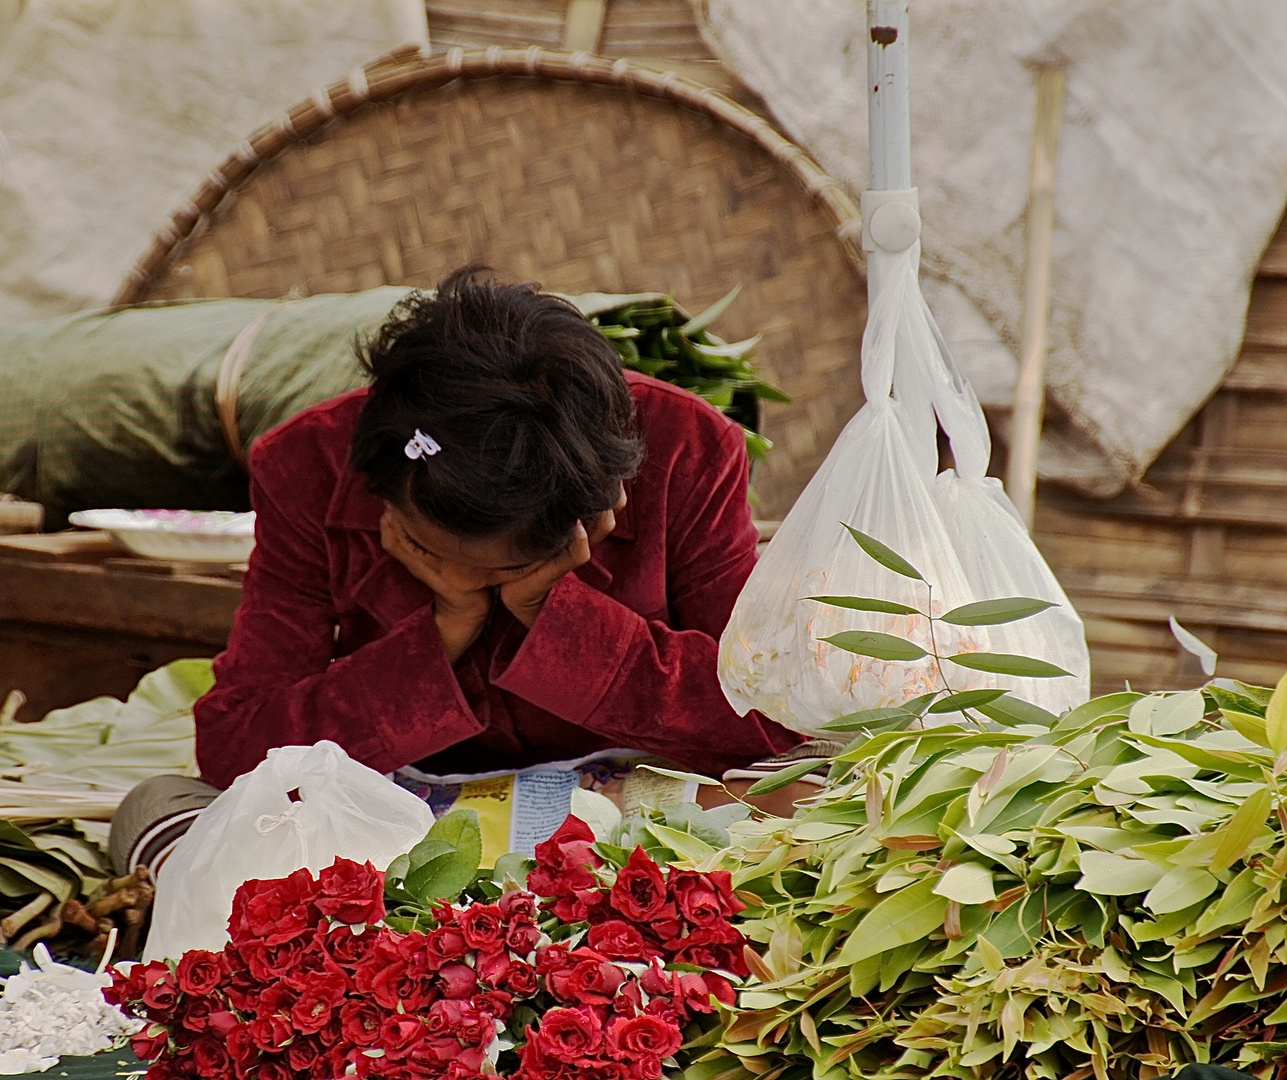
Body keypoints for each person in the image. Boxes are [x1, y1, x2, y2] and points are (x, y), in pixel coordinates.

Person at [109, 268, 802, 874]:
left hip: (624, 811)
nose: (478, 582)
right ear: (381, 492)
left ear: (601, 511)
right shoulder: (307, 464)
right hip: (397, 816)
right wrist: (447, 626)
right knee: (159, 812)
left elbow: (768, 718)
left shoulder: (688, 445)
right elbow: (238, 751)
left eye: (515, 565)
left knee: (814, 793)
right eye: (434, 556)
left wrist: (552, 612)